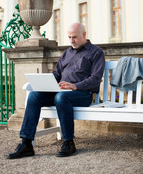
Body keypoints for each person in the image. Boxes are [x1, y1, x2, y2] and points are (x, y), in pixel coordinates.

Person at [7, 22, 105, 159]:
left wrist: (75, 86)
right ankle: (26, 144)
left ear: (84, 35)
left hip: (82, 94)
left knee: (61, 98)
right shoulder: (67, 53)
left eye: (75, 37)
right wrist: (45, 82)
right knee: (34, 96)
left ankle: (68, 142)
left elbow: (95, 79)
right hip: (61, 92)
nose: (71, 40)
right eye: (69, 37)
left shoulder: (96, 53)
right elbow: (56, 74)